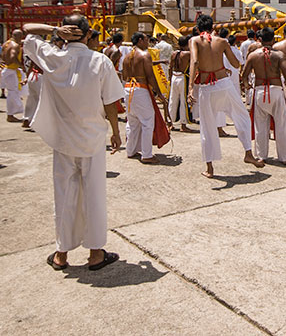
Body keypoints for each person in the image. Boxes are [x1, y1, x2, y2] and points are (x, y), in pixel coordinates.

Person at [22, 15, 124, 271]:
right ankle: (96, 253)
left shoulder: (52, 56)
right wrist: (115, 131)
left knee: (64, 195)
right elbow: (111, 102)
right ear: (88, 35)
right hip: (91, 138)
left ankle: (61, 253)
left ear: (65, 34)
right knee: (94, 195)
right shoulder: (99, 61)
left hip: (63, 139)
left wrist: (55, 29)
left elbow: (26, 29)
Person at [188, 14, 263, 178]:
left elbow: (194, 62)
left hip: (207, 87)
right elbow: (236, 63)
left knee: (207, 127)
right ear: (212, 27)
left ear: (198, 28)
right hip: (224, 83)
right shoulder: (222, 42)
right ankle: (248, 153)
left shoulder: (194, 40)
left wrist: (191, 89)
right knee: (241, 116)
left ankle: (210, 168)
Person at [242, 27, 286, 166]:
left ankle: (261, 156)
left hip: (260, 91)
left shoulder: (253, 55)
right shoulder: (279, 55)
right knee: (282, 124)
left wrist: (247, 85)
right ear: (273, 39)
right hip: (276, 90)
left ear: (260, 40)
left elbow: (244, 74)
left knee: (260, 126)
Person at [122, 32, 170, 164]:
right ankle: (147, 154)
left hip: (128, 88)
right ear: (140, 40)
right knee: (147, 122)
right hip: (140, 88)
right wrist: (159, 93)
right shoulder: (145, 55)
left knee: (132, 122)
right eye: (146, 39)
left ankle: (130, 150)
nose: (148, 42)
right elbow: (150, 76)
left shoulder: (126, 57)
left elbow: (124, 75)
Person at [168, 35, 194, 133]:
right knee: (183, 101)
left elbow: (170, 67)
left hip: (174, 76)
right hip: (183, 77)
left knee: (172, 100)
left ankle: (169, 123)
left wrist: (170, 80)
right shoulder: (188, 54)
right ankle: (183, 125)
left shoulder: (174, 53)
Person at [1, 29, 28, 122]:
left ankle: (11, 114)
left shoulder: (6, 43)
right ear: (17, 36)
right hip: (11, 70)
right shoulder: (15, 45)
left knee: (13, 92)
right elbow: (12, 57)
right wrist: (21, 65)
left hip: (7, 69)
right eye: (20, 37)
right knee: (13, 92)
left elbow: (3, 55)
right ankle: (10, 115)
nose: (21, 39)